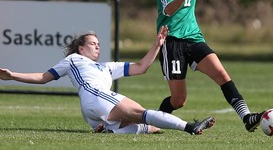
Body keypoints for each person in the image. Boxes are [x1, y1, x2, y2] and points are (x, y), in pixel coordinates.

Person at [0, 26, 215, 135]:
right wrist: (12, 76)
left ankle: (111, 130)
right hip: (96, 98)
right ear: (80, 48)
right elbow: (43, 77)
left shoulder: (106, 67)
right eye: (92, 43)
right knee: (141, 113)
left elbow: (141, 68)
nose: (97, 46)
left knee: (148, 126)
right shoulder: (73, 59)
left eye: (98, 43)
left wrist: (157, 45)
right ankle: (190, 127)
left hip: (93, 113)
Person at [155, 0, 264, 132]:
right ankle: (150, 123)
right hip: (172, 43)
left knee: (222, 74)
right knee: (179, 100)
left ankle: (247, 117)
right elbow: (169, 10)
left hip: (194, 39)